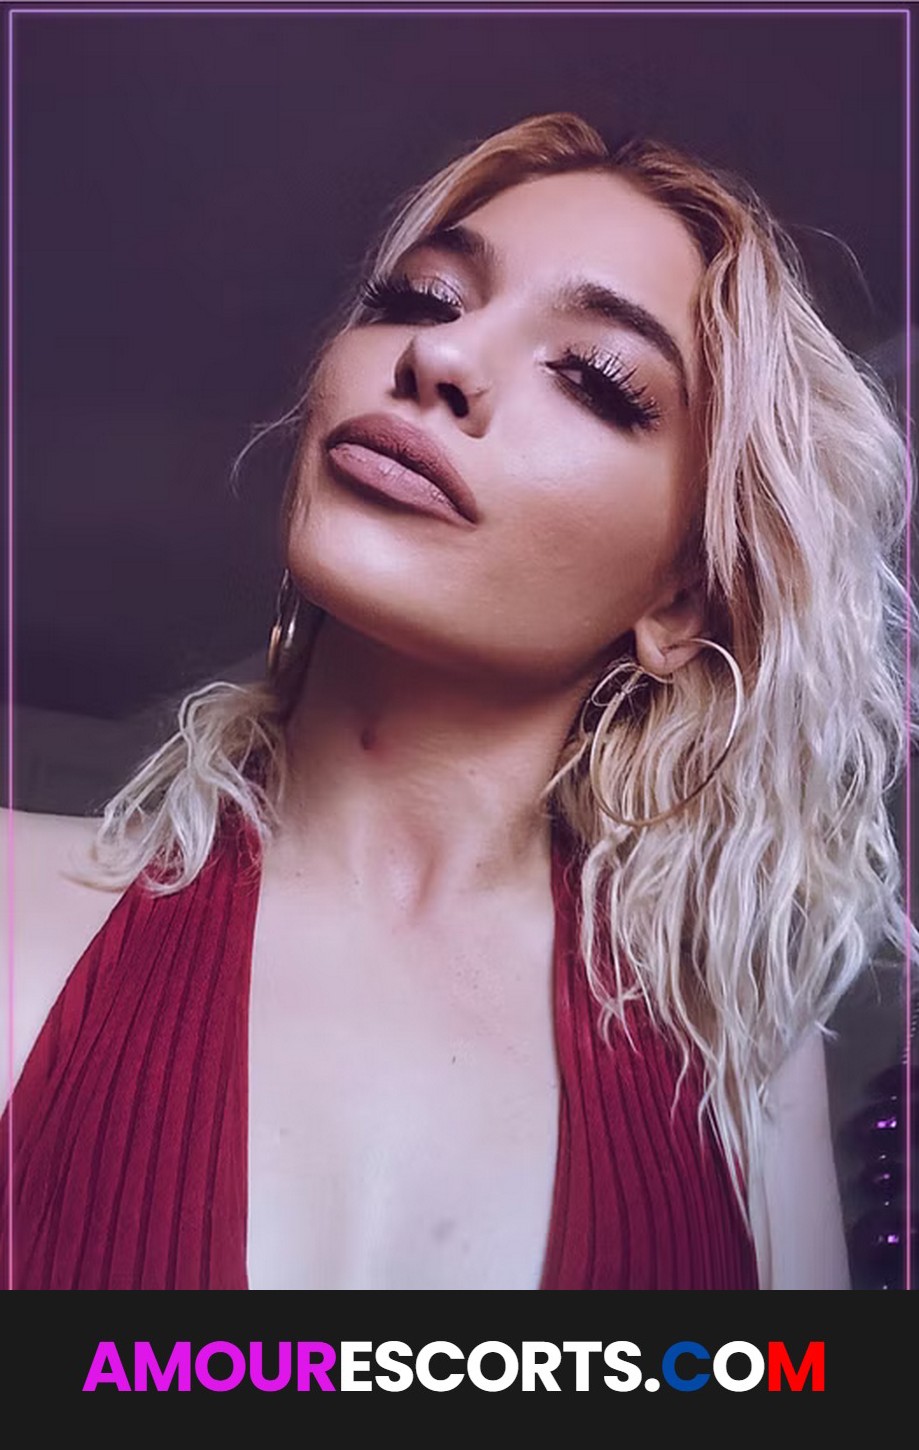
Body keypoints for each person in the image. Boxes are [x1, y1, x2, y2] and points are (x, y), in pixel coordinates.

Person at [2, 111, 913, 1291]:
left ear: (680, 601)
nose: (439, 356)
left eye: (595, 378)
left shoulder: (735, 1067)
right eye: (422, 298)